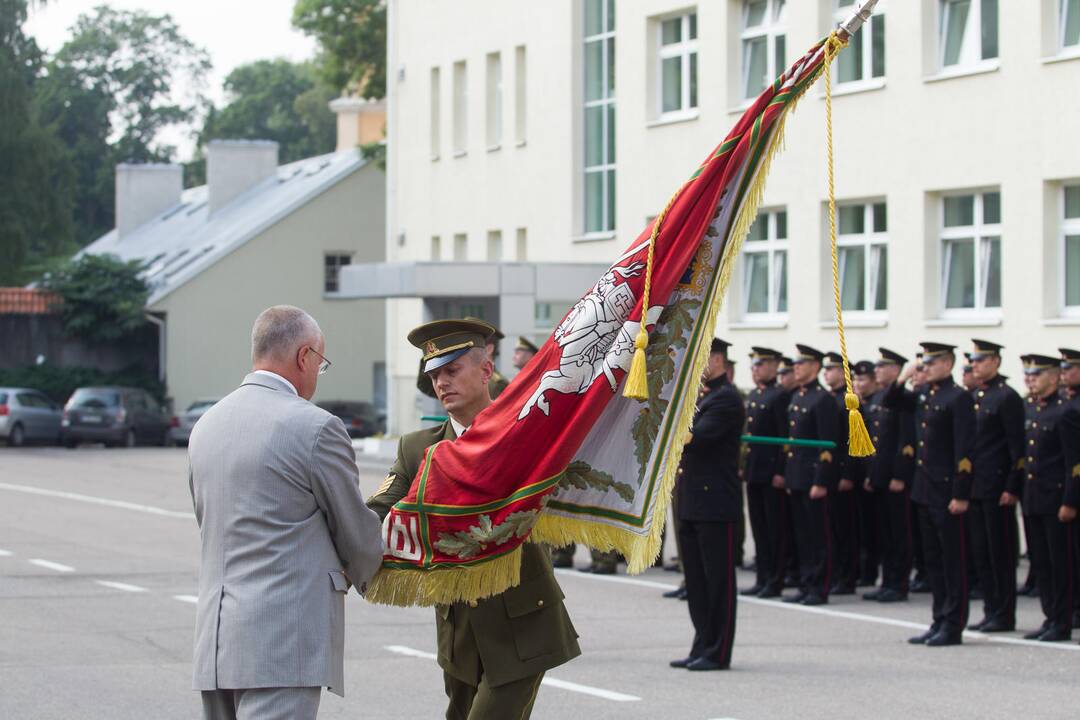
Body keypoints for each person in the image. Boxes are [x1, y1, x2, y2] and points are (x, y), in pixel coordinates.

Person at [367, 319, 580, 719]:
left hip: (522, 620)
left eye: (451, 371)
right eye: (434, 375)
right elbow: (381, 508)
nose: (441, 383)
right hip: (459, 626)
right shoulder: (418, 448)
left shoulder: (525, 432)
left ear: (486, 371)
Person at [189, 306, 385, 720]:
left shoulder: (206, 424)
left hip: (216, 642)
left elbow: (209, 521)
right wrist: (368, 568)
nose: (318, 373)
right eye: (321, 363)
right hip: (281, 643)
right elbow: (355, 532)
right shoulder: (315, 427)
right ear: (304, 356)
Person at [890, 342, 976, 647]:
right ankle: (939, 618)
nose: (926, 367)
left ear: (949, 363)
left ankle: (954, 624)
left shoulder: (959, 398)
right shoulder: (925, 394)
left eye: (933, 362)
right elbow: (892, 403)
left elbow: (965, 450)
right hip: (924, 489)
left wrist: (961, 493)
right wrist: (902, 377)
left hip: (947, 491)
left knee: (953, 560)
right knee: (934, 561)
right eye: (924, 363)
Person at [670, 339, 745, 671]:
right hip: (692, 501)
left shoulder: (726, 399)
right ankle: (701, 644)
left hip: (715, 503)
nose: (697, 366)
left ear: (716, 359)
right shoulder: (703, 396)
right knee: (698, 582)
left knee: (718, 582)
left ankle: (718, 650)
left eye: (701, 359)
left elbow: (696, 438)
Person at [965, 340, 1025, 633]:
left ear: (996, 362)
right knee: (981, 552)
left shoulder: (1006, 397)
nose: (974, 365)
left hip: (997, 487)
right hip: (976, 486)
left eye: (980, 360)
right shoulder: (976, 395)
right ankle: (991, 609)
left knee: (999, 553)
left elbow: (1017, 448)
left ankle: (1004, 613)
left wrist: (1012, 486)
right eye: (973, 361)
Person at [1018, 354, 1076, 642]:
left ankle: (1062, 621)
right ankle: (1049, 616)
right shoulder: (1032, 409)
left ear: (1054, 378)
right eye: (1028, 375)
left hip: (1055, 501)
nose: (1030, 379)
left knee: (1059, 564)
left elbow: (1073, 464)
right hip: (1034, 498)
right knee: (1040, 562)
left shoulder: (1064, 412)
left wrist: (1069, 501)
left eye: (1037, 375)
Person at [779, 344, 842, 606]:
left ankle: (820, 585)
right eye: (795, 364)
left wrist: (821, 480)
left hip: (814, 478)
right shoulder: (798, 397)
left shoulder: (823, 400)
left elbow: (828, 445)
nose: (796, 368)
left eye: (801, 364)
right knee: (802, 535)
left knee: (819, 536)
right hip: (797, 476)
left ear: (815, 366)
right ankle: (807, 583)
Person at [863, 348, 916, 603]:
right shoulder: (877, 398)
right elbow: (876, 442)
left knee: (898, 534)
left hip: (895, 477)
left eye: (883, 366)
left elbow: (906, 440)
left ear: (896, 370)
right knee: (884, 533)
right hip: (880, 475)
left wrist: (901, 475)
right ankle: (887, 581)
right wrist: (871, 474)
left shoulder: (902, 398)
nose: (877, 371)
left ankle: (899, 583)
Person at [741, 346, 789, 599]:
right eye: (753, 366)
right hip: (754, 470)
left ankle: (775, 579)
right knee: (759, 528)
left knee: (774, 529)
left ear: (774, 366)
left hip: (771, 472)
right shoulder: (755, 396)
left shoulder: (779, 396)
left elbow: (784, 438)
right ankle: (762, 577)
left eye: (760, 365)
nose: (755, 370)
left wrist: (781, 470)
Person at [822, 351, 859, 595]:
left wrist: (848, 474)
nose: (826, 373)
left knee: (845, 529)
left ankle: (847, 576)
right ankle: (836, 574)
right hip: (830, 473)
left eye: (832, 369)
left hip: (843, 474)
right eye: (825, 369)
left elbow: (853, 442)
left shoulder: (850, 401)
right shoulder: (828, 400)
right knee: (832, 529)